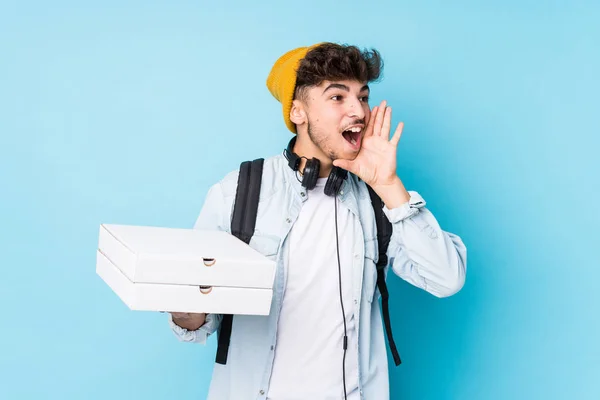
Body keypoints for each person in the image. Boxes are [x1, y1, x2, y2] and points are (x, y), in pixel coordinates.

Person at [168, 42, 467, 400]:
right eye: (337, 98)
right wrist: (187, 312)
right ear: (298, 111)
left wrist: (388, 185)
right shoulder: (238, 191)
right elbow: (196, 318)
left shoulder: (380, 199)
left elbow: (446, 279)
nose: (358, 111)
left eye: (363, 97)